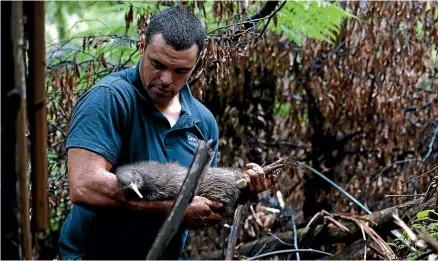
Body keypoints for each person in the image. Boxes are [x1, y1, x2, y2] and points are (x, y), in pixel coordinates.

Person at [58, 7, 271, 260]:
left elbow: (201, 204)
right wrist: (172, 209)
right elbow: (84, 186)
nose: (166, 79)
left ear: (197, 63)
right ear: (141, 46)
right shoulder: (110, 99)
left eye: (181, 71)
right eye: (158, 64)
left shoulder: (202, 122)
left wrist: (240, 189)